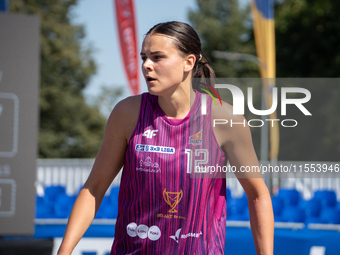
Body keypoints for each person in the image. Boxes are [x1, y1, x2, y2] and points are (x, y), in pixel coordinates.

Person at [57, 21, 274, 255]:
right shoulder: (128, 113)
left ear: (188, 62)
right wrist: (64, 252)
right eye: (144, 57)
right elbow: (94, 188)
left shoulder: (225, 119)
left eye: (157, 57)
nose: (146, 66)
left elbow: (258, 195)